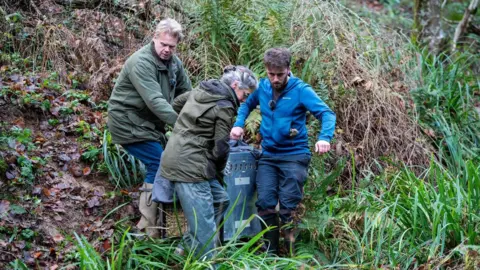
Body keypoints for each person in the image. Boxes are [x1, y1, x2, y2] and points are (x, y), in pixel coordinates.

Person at [230, 48, 336, 255]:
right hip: (268, 156)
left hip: (294, 156)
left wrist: (324, 138)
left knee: (288, 208)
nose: (276, 79)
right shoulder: (262, 87)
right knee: (265, 203)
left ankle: (292, 254)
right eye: (271, 74)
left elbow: (326, 114)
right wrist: (239, 123)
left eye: (280, 74)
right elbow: (245, 106)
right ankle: (270, 254)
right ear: (266, 71)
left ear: (288, 69)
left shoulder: (301, 90)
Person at [159, 65, 258, 258]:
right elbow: (221, 148)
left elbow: (177, 104)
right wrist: (220, 172)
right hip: (190, 167)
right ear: (235, 85)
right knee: (204, 225)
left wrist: (188, 128)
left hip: (182, 157)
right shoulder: (225, 106)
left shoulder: (203, 89)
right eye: (245, 95)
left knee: (220, 200)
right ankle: (208, 262)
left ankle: (183, 249)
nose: (245, 100)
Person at [107, 18, 192, 238]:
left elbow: (187, 94)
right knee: (159, 162)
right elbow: (155, 101)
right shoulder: (141, 62)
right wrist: (182, 125)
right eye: (163, 44)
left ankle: (161, 226)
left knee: (166, 162)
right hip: (127, 122)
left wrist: (198, 116)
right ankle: (145, 227)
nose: (166, 50)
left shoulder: (174, 64)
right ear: (154, 38)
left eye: (171, 46)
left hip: (150, 125)